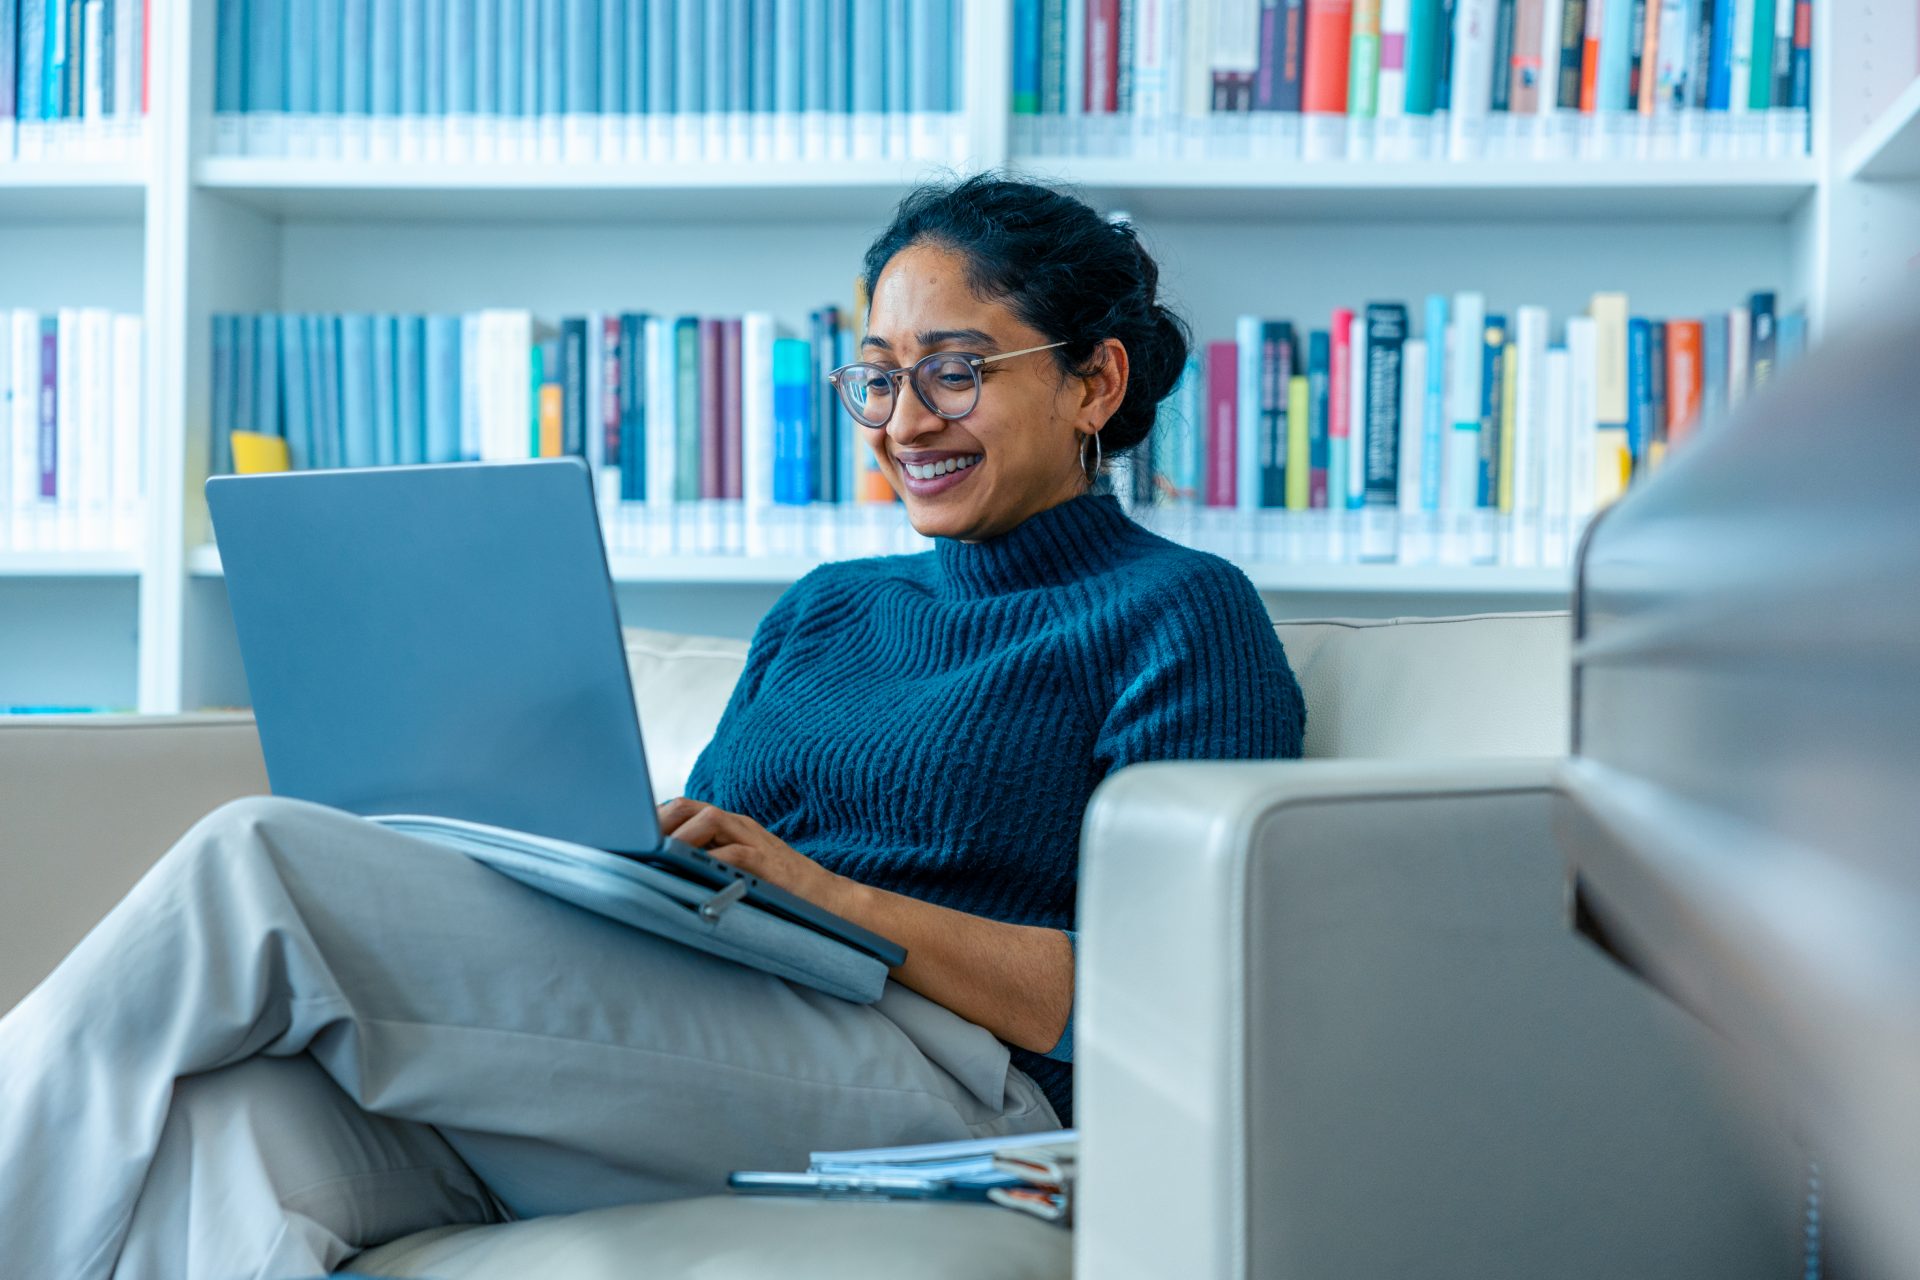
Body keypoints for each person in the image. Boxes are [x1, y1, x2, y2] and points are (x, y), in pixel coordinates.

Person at [0, 174, 1305, 1279]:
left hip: (961, 1088)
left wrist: (827, 898)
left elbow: (1159, 1000)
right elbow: (708, 873)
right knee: (237, 1124)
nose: (907, 421)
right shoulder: (828, 610)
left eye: (955, 373)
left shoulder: (1183, 615)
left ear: (1095, 385)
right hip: (727, 1026)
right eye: (879, 378)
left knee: (256, 861)